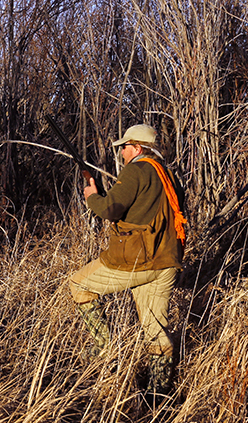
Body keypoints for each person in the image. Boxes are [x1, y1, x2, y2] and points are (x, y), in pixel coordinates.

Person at [69, 124, 187, 403]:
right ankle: (158, 396)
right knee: (156, 330)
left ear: (136, 147)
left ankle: (102, 349)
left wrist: (91, 197)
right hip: (167, 261)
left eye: (124, 147)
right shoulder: (167, 174)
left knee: (78, 285)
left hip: (139, 261)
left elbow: (109, 209)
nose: (121, 152)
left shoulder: (136, 170)